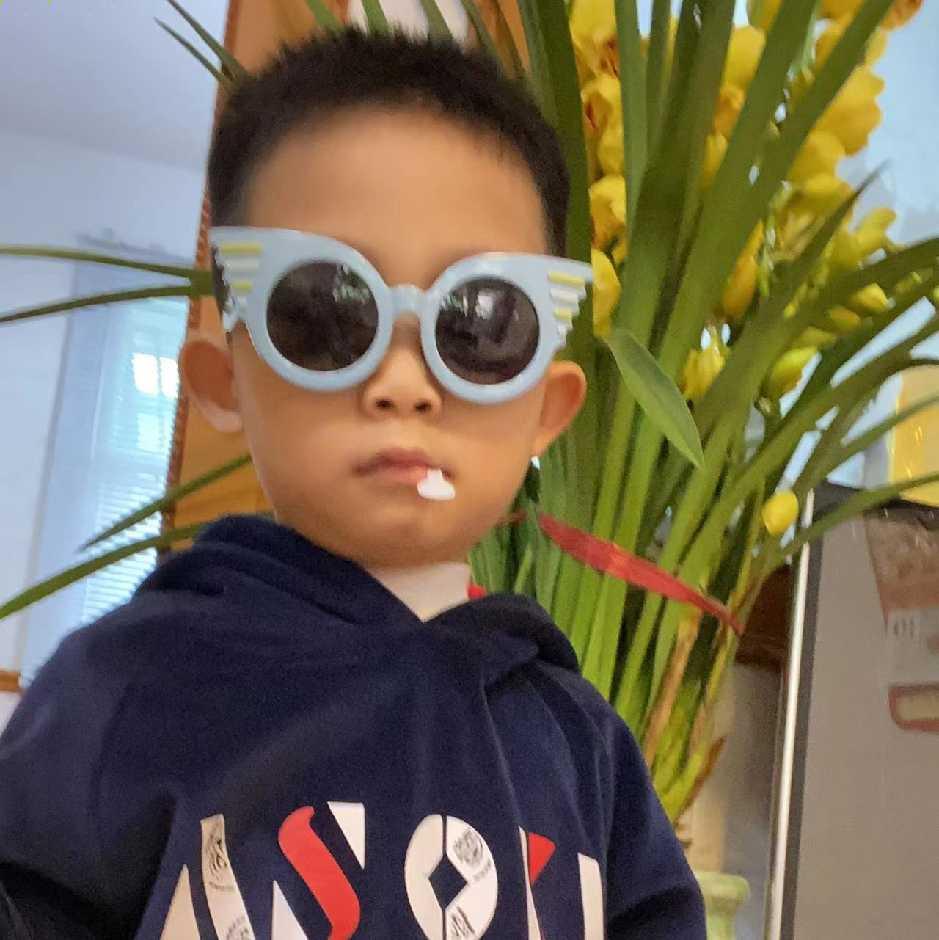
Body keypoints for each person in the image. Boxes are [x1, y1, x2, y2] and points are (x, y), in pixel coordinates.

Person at [0, 27, 706, 939]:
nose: (404, 384)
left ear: (546, 408)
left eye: (480, 322)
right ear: (222, 380)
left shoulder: (584, 744)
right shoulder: (120, 690)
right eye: (325, 313)